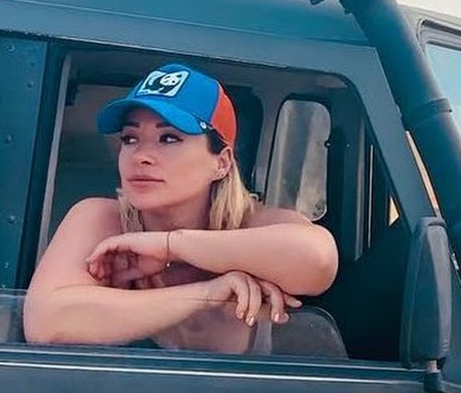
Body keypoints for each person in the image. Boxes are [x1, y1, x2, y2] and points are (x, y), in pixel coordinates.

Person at [24, 63, 339, 354]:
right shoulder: (101, 220)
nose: (141, 156)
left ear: (221, 163)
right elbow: (46, 324)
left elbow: (319, 260)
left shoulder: (255, 224)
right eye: (130, 138)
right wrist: (206, 294)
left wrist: (169, 246)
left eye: (169, 138)